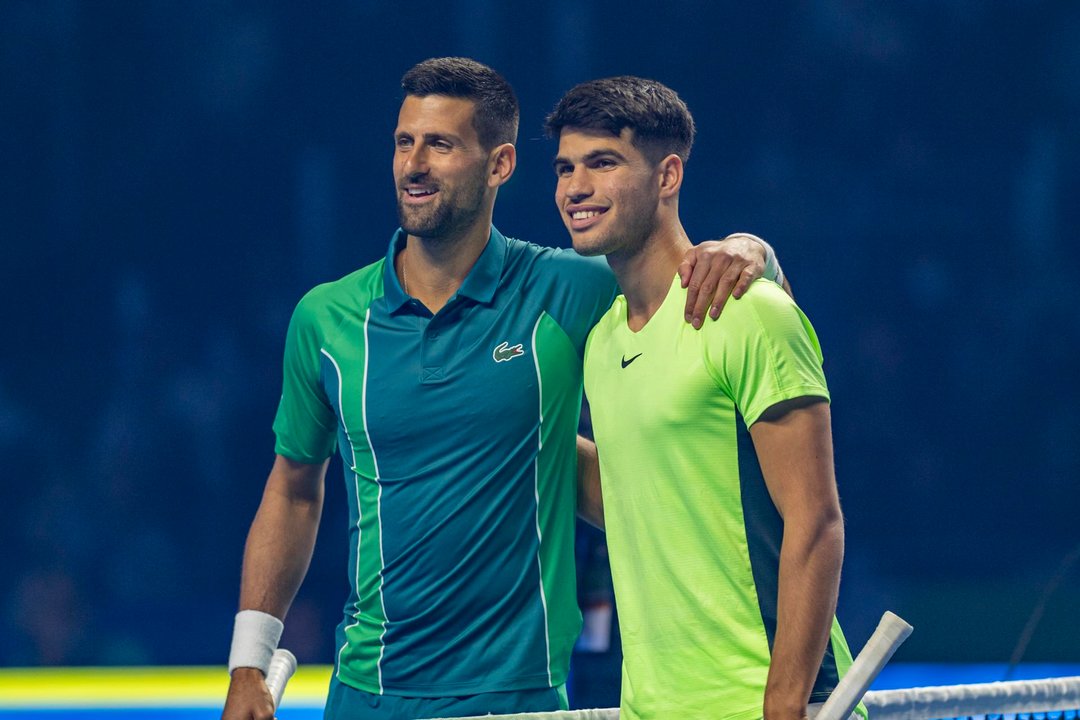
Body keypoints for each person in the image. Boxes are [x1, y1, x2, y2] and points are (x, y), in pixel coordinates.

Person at [222, 57, 783, 720]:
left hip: (522, 701)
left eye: (441, 144)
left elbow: (691, 275)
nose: (414, 164)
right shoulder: (326, 317)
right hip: (367, 697)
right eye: (404, 142)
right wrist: (248, 664)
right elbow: (292, 490)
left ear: (500, 164)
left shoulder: (569, 287)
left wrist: (753, 249)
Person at [545, 76, 858, 720]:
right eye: (566, 168)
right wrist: (518, 435)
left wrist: (783, 705)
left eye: (603, 163)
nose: (576, 187)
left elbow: (817, 521)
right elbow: (643, 501)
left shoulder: (749, 312)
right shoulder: (602, 342)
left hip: (770, 703)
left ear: (668, 176)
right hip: (651, 708)